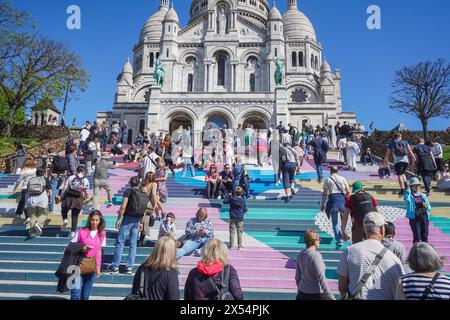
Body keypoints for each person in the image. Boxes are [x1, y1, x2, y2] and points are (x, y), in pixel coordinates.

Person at [337, 212, 405, 300]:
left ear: (363, 229)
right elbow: (401, 289)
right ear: (382, 230)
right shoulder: (394, 259)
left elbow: (342, 287)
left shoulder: (349, 251)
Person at [107, 176, 150, 275]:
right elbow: (145, 210)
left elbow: (123, 206)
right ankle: (129, 267)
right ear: (139, 184)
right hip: (137, 220)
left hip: (127, 219)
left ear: (130, 183)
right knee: (133, 244)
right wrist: (142, 222)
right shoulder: (144, 194)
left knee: (120, 242)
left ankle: (115, 266)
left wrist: (118, 219)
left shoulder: (128, 192)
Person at [70, 210, 106, 300]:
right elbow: (71, 246)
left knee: (85, 296)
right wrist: (82, 248)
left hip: (92, 266)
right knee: (75, 294)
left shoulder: (102, 233)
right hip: (79, 264)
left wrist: (98, 267)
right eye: (92, 220)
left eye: (97, 220)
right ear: (89, 220)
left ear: (100, 221)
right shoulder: (81, 231)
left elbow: (99, 251)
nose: (94, 222)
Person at [296, 230, 335, 300]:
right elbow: (321, 277)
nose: (320, 241)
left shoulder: (300, 255)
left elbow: (297, 277)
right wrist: (329, 294)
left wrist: (300, 288)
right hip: (315, 293)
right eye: (318, 239)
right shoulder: (316, 255)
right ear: (314, 241)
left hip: (302, 291)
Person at [320, 166, 350, 248]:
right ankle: (344, 233)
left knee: (335, 222)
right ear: (337, 171)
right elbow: (348, 192)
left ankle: (339, 240)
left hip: (333, 202)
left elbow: (324, 193)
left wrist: (322, 204)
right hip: (342, 201)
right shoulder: (343, 179)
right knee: (344, 221)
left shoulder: (328, 180)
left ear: (330, 171)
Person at [61, 166, 90, 238]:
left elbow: (66, 187)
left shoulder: (71, 177)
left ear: (77, 171)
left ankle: (65, 219)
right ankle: (73, 231)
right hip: (78, 198)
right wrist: (86, 196)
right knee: (75, 215)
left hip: (69, 196)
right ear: (83, 172)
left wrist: (62, 195)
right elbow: (85, 190)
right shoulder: (85, 179)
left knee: (64, 209)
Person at [24, 168, 52, 237]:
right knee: (43, 214)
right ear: (43, 173)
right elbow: (50, 190)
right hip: (42, 199)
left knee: (33, 216)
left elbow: (27, 191)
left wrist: (26, 200)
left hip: (31, 200)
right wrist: (50, 198)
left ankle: (33, 232)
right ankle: (38, 224)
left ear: (36, 173)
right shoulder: (45, 179)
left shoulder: (31, 180)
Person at [404, 177, 431, 244]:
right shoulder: (408, 195)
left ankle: (425, 250)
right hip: (414, 217)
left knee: (425, 235)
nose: (417, 186)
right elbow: (407, 199)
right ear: (411, 186)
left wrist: (426, 206)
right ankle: (416, 252)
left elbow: (429, 207)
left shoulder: (423, 195)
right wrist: (408, 188)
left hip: (424, 216)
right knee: (417, 236)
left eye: (418, 185)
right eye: (415, 185)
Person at [280, 134, 301, 200]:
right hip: (293, 164)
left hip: (285, 164)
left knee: (286, 179)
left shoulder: (282, 149)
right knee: (292, 177)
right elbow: (297, 159)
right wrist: (298, 167)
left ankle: (288, 194)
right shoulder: (294, 150)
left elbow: (279, 159)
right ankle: (292, 187)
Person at [47, 148, 68, 213]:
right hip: (62, 176)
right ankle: (56, 202)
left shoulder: (50, 156)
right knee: (57, 189)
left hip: (55, 176)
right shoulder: (60, 157)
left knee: (52, 192)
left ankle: (50, 208)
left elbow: (49, 165)